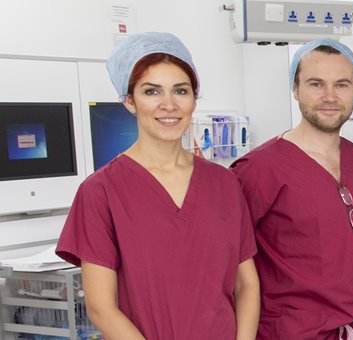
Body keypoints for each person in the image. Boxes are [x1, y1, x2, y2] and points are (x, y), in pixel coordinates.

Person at [55, 32, 260, 339]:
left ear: (193, 98)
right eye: (152, 92)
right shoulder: (101, 192)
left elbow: (246, 285)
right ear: (129, 102)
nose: (169, 105)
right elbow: (101, 307)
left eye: (181, 90)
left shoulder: (224, 183)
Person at [230, 38, 353, 339]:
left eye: (342, 84)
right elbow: (228, 264)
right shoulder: (258, 169)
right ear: (295, 89)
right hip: (291, 331)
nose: (329, 96)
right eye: (315, 84)